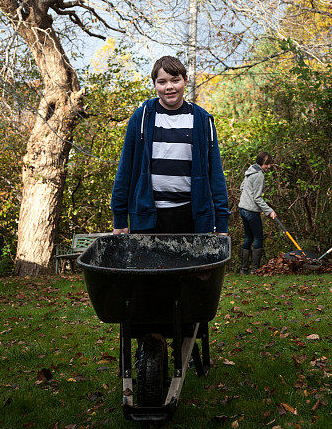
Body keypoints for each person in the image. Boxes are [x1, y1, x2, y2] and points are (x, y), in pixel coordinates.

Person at [111, 56, 229, 236]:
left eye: (175, 80)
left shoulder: (201, 120)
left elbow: (216, 174)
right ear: (154, 84)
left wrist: (221, 224)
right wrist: (119, 218)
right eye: (162, 82)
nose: (169, 87)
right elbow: (125, 169)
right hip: (147, 218)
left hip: (191, 218)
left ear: (185, 81)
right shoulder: (142, 117)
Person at [238, 151, 276, 274]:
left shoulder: (250, 170)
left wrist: (247, 197)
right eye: (267, 164)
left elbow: (242, 187)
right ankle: (255, 269)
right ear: (261, 163)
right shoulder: (259, 175)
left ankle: (243, 270)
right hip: (251, 211)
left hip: (242, 209)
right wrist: (269, 211)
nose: (269, 166)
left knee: (248, 237)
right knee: (258, 238)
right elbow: (257, 198)